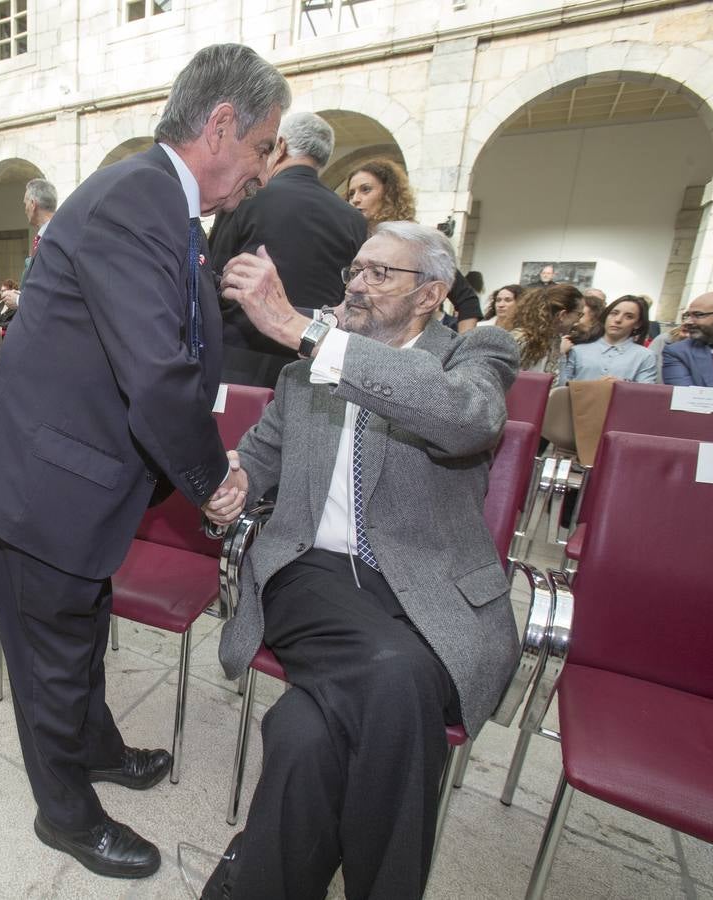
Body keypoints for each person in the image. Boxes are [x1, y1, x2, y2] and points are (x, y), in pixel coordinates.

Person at [0, 43, 288, 879]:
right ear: (221, 126)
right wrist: (215, 485)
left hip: (78, 473)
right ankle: (64, 815)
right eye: (260, 147)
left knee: (79, 632)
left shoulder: (158, 202)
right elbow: (158, 372)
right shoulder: (139, 198)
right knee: (52, 657)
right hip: (46, 480)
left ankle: (95, 749)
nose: (261, 170)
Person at [204, 220, 519, 899]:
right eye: (355, 270)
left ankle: (253, 878)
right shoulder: (300, 375)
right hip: (312, 575)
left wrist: (310, 332)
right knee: (396, 676)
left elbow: (468, 419)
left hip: (429, 592)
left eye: (381, 273)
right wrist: (236, 484)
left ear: (431, 294)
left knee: (304, 735)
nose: (356, 284)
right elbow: (260, 458)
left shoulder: (476, 356)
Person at [208, 111, 367, 387]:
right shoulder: (353, 219)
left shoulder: (246, 198)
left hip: (240, 362)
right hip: (311, 365)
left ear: (279, 147)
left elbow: (213, 275)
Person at [345, 158, 480, 331]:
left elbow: (467, 301)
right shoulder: (351, 239)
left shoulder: (416, 244)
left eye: (365, 190)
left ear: (389, 194)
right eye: (351, 193)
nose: (355, 199)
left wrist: (459, 354)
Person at [558, 295, 657, 386]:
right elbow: (561, 387)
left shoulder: (645, 356)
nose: (618, 320)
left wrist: (621, 386)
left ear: (638, 324)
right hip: (578, 404)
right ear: (606, 316)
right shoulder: (578, 348)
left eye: (629, 316)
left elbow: (645, 395)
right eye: (614, 313)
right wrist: (561, 355)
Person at [510, 283, 582, 374]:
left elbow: (555, 381)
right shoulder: (520, 339)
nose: (579, 321)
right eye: (579, 314)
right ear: (562, 315)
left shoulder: (555, 340)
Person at [21, 178, 58, 288]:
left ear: (33, 204)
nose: (25, 209)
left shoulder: (54, 238)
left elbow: (50, 285)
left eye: (25, 203)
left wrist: (19, 300)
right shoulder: (51, 234)